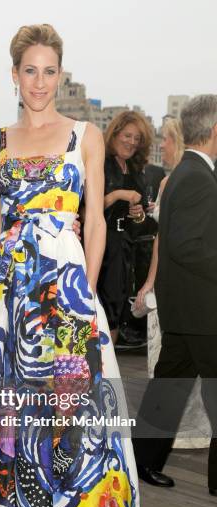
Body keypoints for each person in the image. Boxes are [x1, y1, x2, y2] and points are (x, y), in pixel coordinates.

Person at [0, 24, 139, 507]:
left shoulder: (85, 135)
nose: (39, 82)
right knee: (11, 416)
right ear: (15, 76)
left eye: (49, 71)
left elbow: (93, 222)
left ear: (59, 75)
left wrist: (83, 295)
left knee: (74, 416)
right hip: (9, 297)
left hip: (65, 299)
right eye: (29, 71)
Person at [133, 95, 217, 496]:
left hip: (185, 309)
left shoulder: (185, 171)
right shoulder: (199, 176)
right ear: (214, 130)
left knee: (167, 390)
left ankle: (143, 462)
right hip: (202, 309)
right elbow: (186, 246)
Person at [97, 111, 154, 345]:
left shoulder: (135, 170)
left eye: (137, 138)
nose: (131, 142)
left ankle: (107, 366)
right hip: (101, 245)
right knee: (101, 307)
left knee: (117, 309)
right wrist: (118, 194)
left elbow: (140, 226)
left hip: (124, 248)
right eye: (127, 135)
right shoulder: (100, 162)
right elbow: (86, 206)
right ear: (115, 134)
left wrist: (138, 215)